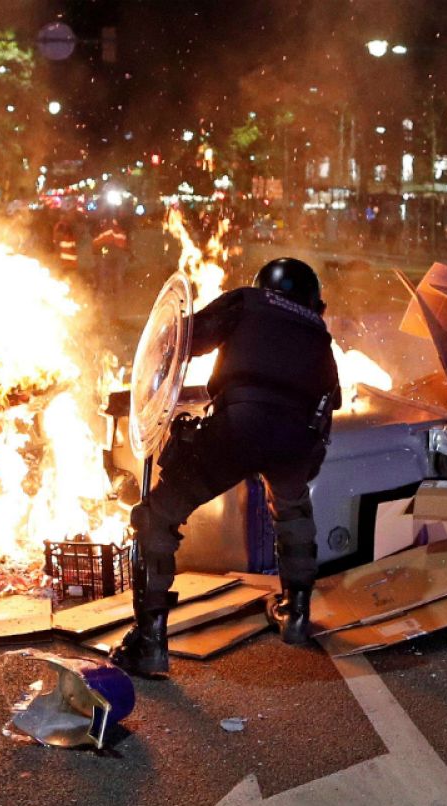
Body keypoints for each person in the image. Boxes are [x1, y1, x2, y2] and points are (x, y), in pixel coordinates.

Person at [110, 258, 342, 676]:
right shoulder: (320, 335)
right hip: (295, 439)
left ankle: (148, 643)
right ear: (312, 299)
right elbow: (326, 413)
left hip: (240, 425)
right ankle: (297, 616)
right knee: (293, 509)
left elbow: (181, 341)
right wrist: (294, 472)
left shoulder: (247, 301)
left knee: (157, 518)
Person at [92, 216, 131, 303]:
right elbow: (96, 242)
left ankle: (117, 300)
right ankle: (106, 299)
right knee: (106, 279)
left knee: (117, 279)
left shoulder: (119, 225)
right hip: (106, 256)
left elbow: (123, 241)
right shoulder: (102, 225)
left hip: (117, 256)